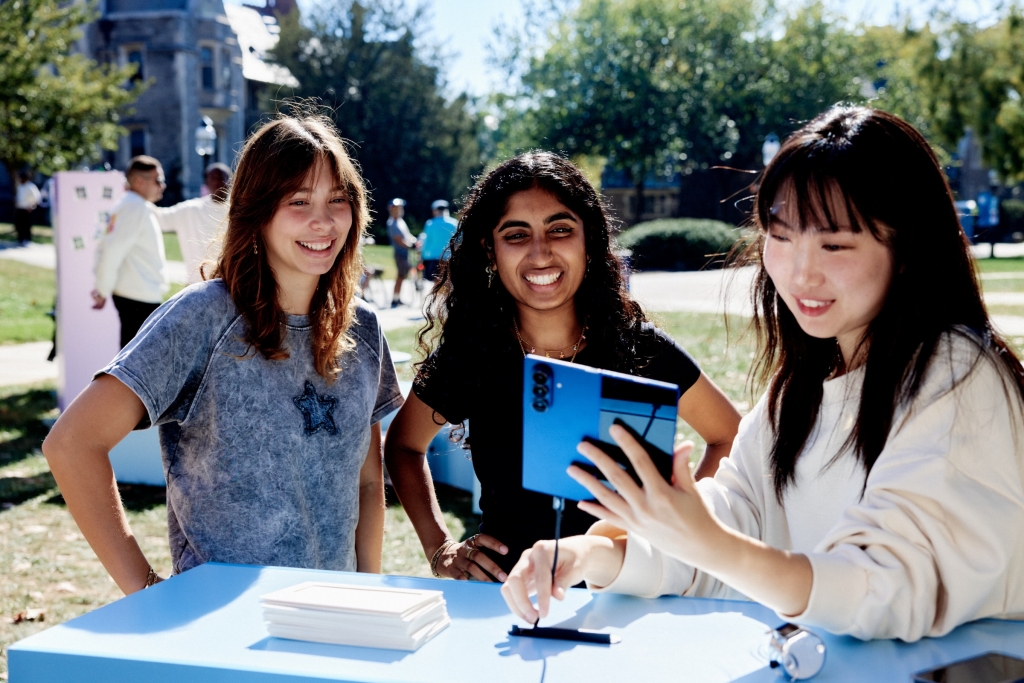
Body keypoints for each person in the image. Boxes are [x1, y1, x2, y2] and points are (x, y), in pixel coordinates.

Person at [501, 107, 1024, 642]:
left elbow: (886, 589)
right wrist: (593, 553)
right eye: (782, 236)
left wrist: (709, 543)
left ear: (909, 247)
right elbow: (732, 516)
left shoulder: (956, 375)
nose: (800, 273)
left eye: (835, 244)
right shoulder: (804, 382)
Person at [42, 114, 402, 594]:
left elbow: (367, 483)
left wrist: (366, 597)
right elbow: (71, 444)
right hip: (220, 635)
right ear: (257, 211)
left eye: (338, 200)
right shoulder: (202, 317)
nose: (323, 220)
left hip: (332, 620)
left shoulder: (363, 327)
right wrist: (149, 592)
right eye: (299, 201)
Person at [384, 152, 741, 582]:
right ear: (489, 250)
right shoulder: (472, 353)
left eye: (560, 229)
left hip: (623, 590)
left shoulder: (639, 347)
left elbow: (728, 437)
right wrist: (439, 546)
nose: (541, 253)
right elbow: (403, 447)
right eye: (516, 234)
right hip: (502, 596)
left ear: (588, 240)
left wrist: (677, 530)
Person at [92, 155, 169, 348]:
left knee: (135, 363)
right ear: (139, 182)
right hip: (138, 297)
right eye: (158, 180)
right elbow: (112, 251)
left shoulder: (132, 205)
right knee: (135, 366)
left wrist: (103, 287)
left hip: (137, 295)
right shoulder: (135, 207)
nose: (163, 185)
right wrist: (102, 289)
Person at [153, 163, 231, 283]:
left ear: (231, 181)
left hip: (231, 285)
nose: (218, 183)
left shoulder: (239, 211)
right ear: (206, 182)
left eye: (222, 178)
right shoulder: (191, 209)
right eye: (213, 179)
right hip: (197, 284)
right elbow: (160, 218)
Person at [386, 198, 416, 307]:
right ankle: (395, 299)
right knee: (400, 275)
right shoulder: (392, 223)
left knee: (402, 276)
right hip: (400, 254)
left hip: (405, 253)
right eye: (397, 208)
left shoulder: (400, 221)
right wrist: (410, 245)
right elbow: (398, 240)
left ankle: (397, 297)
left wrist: (414, 241)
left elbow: (407, 236)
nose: (399, 210)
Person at [419, 199, 458, 281]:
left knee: (436, 281)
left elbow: (426, 242)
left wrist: (423, 256)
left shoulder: (430, 223)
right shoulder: (454, 223)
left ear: (435, 211)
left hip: (433, 257)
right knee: (448, 281)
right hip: (449, 257)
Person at [14, 171, 41, 246]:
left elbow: (37, 198)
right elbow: (19, 196)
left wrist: (31, 206)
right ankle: (20, 239)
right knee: (19, 225)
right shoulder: (20, 186)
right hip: (20, 208)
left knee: (26, 225)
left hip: (27, 209)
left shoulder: (31, 187)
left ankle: (27, 240)